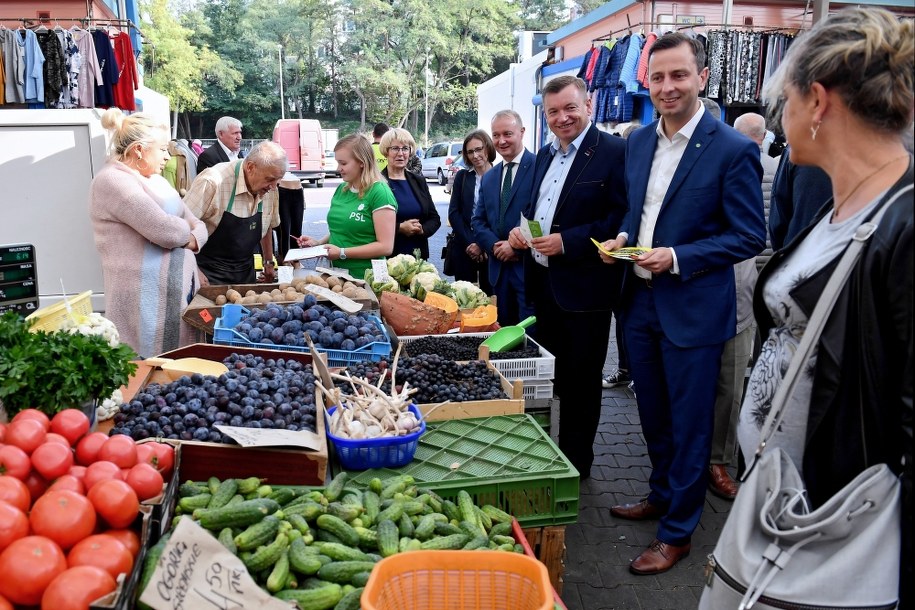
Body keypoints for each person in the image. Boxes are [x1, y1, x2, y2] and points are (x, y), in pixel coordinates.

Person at [736, 9, 912, 603]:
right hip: (787, 504)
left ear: (815, 101)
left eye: (785, 101)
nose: (783, 119)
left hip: (839, 525)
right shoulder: (840, 205)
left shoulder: (903, 223)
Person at [599, 33, 766, 574]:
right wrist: (624, 240)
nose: (667, 87)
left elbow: (748, 235)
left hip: (693, 308)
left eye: (678, 76)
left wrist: (676, 256)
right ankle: (662, 495)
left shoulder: (732, 149)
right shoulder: (640, 141)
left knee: (691, 424)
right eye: (658, 77)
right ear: (646, 82)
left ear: (701, 79)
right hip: (640, 304)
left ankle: (678, 533)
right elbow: (638, 212)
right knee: (653, 416)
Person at [506, 75, 627, 478]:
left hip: (584, 290)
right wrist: (520, 231)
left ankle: (576, 464)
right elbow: (535, 206)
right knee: (549, 379)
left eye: (570, 108)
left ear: (588, 105)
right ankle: (546, 450)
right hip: (542, 285)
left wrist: (570, 242)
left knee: (581, 382)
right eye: (553, 111)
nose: (562, 118)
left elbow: (619, 217)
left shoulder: (613, 152)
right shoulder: (543, 155)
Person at [88, 108, 208, 358]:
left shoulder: (157, 181)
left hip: (174, 301)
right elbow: (166, 231)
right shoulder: (113, 181)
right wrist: (188, 233)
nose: (168, 156)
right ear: (139, 150)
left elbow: (199, 224)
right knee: (152, 372)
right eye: (163, 149)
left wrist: (192, 237)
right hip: (144, 304)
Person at [184, 141, 287, 285]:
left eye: (278, 180)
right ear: (250, 167)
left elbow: (267, 224)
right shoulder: (212, 182)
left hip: (245, 274)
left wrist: (268, 261)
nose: (274, 187)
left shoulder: (270, 188)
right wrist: (194, 269)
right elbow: (180, 231)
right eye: (270, 179)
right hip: (208, 274)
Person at [295, 134, 397, 279]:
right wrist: (318, 243)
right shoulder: (342, 189)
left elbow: (385, 247)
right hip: (337, 275)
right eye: (338, 163)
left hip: (366, 277)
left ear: (362, 162)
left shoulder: (380, 193)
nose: (339, 169)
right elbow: (344, 229)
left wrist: (342, 252)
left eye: (343, 163)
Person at [472, 110, 536, 326]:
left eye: (507, 134)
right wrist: (495, 246)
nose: (501, 141)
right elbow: (478, 221)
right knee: (503, 335)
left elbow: (540, 215)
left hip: (528, 271)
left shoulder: (540, 168)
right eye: (496, 135)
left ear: (522, 132)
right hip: (498, 272)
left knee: (530, 338)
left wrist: (514, 246)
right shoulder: (489, 177)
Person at [446, 130, 495, 294]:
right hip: (465, 246)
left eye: (479, 149)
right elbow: (454, 213)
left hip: (491, 248)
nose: (475, 155)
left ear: (488, 148)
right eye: (470, 152)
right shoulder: (463, 177)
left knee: (491, 297)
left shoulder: (500, 175)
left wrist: (483, 244)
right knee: (464, 297)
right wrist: (470, 243)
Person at [380, 128, 441, 259]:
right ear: (386, 151)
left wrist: (422, 229)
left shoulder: (418, 181)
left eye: (405, 149)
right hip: (389, 257)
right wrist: (399, 228)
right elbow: (368, 224)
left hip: (418, 257)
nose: (401, 153)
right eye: (395, 148)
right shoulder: (377, 183)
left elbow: (434, 218)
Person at [734, 112, 781, 269]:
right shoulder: (777, 166)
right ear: (764, 134)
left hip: (743, 252)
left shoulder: (731, 165)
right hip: (771, 252)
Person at [768, 145, 833, 250]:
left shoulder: (797, 149)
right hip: (850, 251)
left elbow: (778, 218)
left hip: (798, 249)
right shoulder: (861, 148)